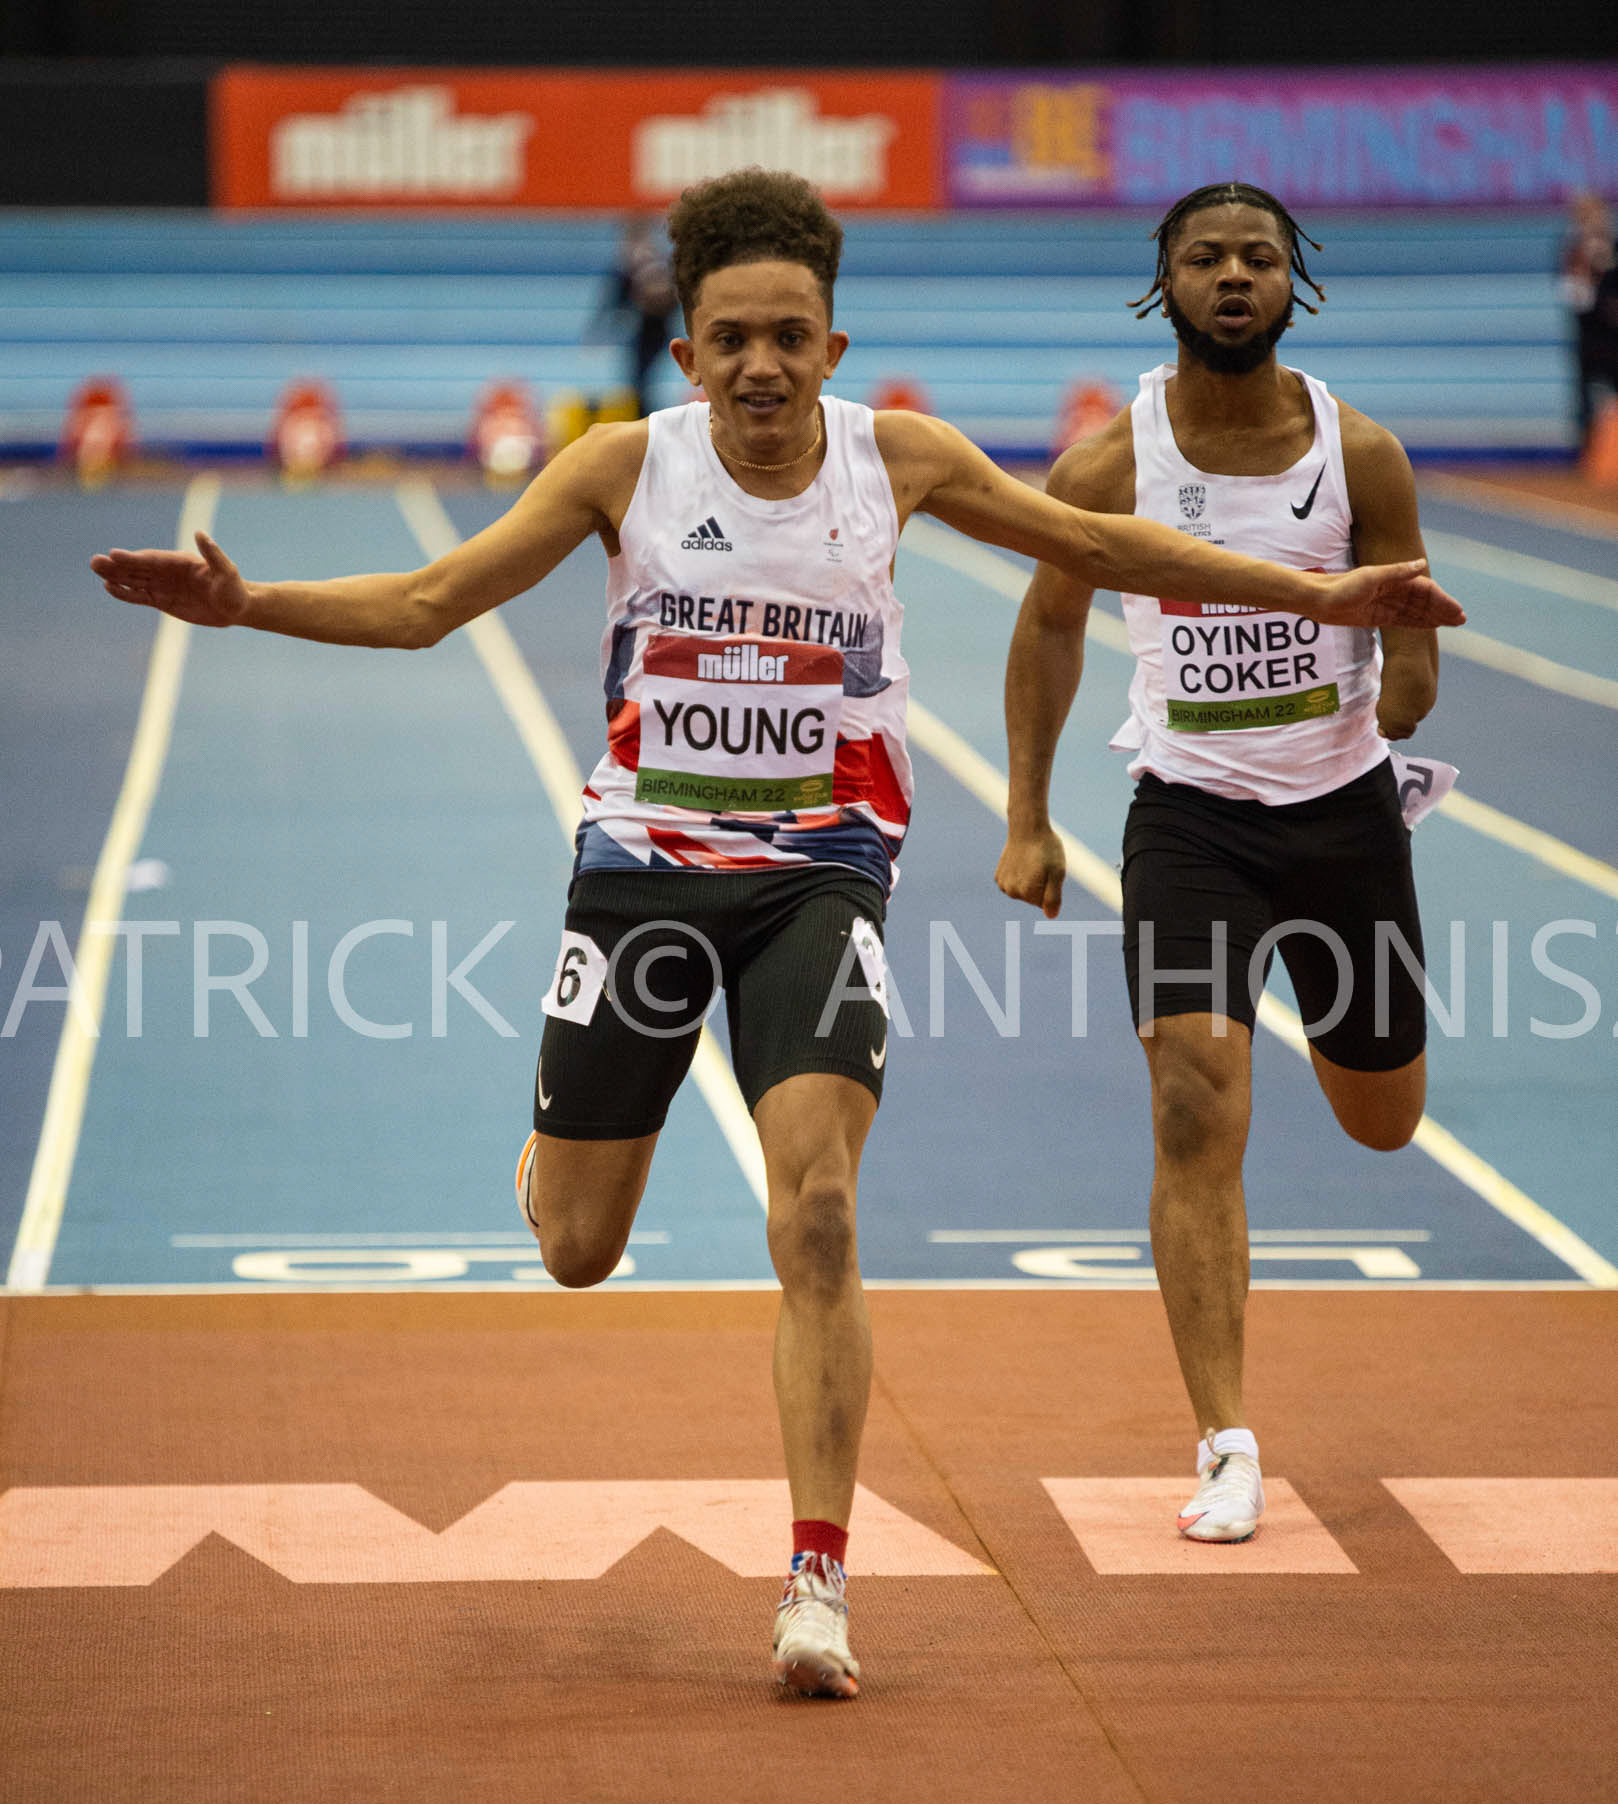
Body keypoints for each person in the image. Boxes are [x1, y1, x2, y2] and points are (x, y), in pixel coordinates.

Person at [92, 170, 1462, 1690]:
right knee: (575, 1253)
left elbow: (1115, 555)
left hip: (823, 873)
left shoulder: (902, 459)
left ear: (831, 345)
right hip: (642, 873)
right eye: (730, 336)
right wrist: (247, 602)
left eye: (788, 337)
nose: (759, 363)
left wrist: (1332, 596)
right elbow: (427, 601)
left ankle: (815, 1581)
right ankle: (557, 1156)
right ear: (685, 353)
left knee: (815, 1213)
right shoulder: (623, 469)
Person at [995, 181, 1450, 1545]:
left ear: (1293, 282)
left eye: (1258, 256)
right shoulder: (1107, 465)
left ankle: (1343, 1031)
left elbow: (1414, 653)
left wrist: (1408, 675)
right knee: (1196, 1098)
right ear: (1164, 285)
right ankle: (1227, 1443)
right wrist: (1026, 812)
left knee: (1382, 1119)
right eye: (1206, 258)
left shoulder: (1357, 455)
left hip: (1343, 818)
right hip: (1188, 820)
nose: (1233, 275)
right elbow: (1048, 627)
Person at [597, 216, 679, 419]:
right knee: (641, 378)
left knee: (640, 378)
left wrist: (602, 325)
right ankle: (645, 414)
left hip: (650, 326)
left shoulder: (632, 261)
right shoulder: (657, 258)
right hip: (655, 325)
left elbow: (614, 298)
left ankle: (645, 416)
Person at [1557, 193, 1618, 454]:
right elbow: (1573, 296)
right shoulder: (1574, 251)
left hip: (1614, 337)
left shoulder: (1614, 246)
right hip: (1590, 338)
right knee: (1585, 398)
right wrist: (1590, 269)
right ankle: (1585, 450)